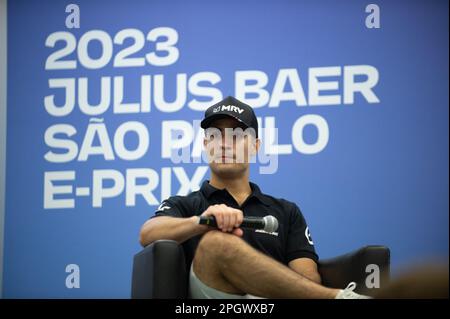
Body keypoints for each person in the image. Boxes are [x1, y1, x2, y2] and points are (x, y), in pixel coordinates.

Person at [139, 96, 368, 299]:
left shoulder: (286, 211)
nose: (225, 143)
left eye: (236, 136)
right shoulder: (185, 205)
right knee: (216, 243)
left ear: (256, 146)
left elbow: (308, 280)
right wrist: (201, 221)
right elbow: (148, 233)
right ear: (206, 145)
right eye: (215, 135)